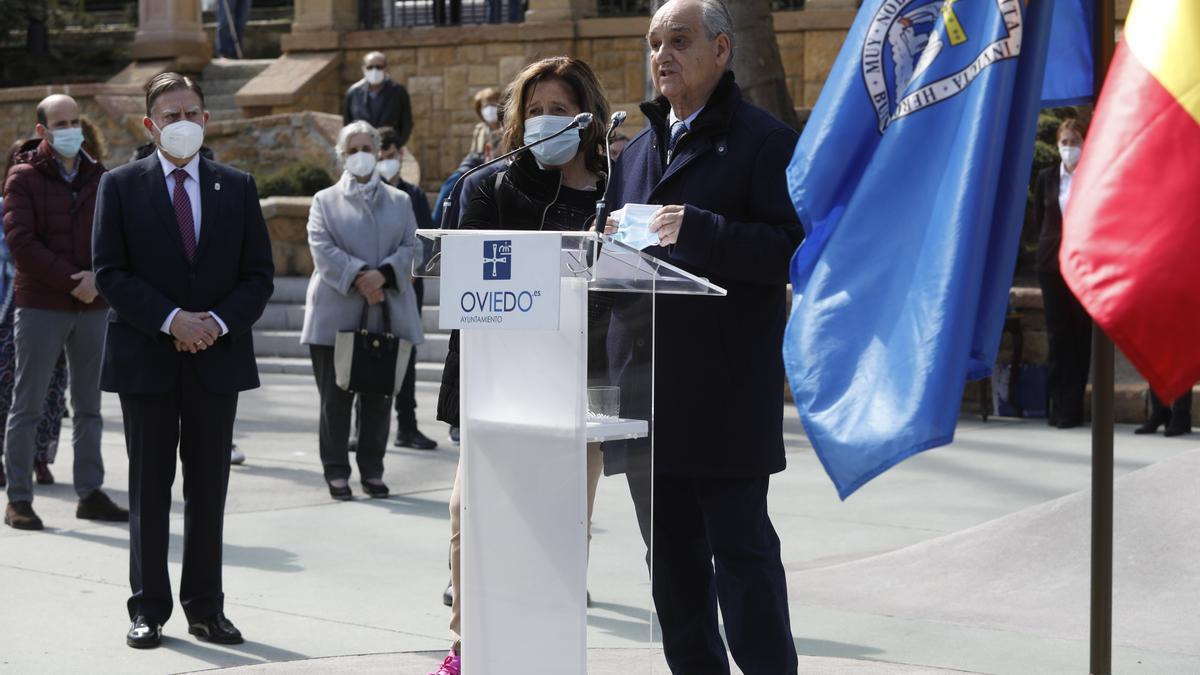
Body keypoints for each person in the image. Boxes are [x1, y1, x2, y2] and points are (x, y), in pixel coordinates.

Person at [603, 1, 804, 672]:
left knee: (744, 573)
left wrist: (704, 231)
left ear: (721, 50)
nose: (662, 54)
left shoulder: (764, 141)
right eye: (655, 41)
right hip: (647, 398)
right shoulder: (633, 152)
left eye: (678, 40)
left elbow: (790, 250)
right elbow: (618, 254)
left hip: (723, 400)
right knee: (675, 585)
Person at [429, 55, 613, 675]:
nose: (542, 122)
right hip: (497, 390)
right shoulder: (490, 185)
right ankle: (467, 649)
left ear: (586, 117)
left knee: (561, 525)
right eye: (533, 112)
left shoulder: (616, 192)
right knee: (469, 513)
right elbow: (466, 287)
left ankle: (544, 649)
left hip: (577, 392)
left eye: (557, 111)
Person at [92, 72, 274, 649]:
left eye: (192, 113)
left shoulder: (237, 186)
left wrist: (213, 324)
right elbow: (109, 272)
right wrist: (173, 320)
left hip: (215, 361)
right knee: (149, 490)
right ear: (151, 125)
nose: (183, 123)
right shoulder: (119, 186)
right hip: (147, 359)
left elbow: (258, 276)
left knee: (209, 490)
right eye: (170, 115)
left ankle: (205, 608)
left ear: (206, 120)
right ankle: (148, 608)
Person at [2, 94, 127, 531]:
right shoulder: (22, 178)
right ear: (42, 131)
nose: (70, 129)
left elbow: (116, 235)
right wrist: (74, 280)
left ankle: (90, 492)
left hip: (94, 306)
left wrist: (98, 279)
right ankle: (19, 498)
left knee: (90, 407)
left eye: (75, 120)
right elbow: (22, 242)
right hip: (41, 304)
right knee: (28, 405)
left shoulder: (101, 177)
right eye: (60, 123)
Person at [301, 121, 424, 501]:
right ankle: (336, 471)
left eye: (366, 147)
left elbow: (412, 248)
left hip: (386, 313)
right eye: (352, 148)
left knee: (378, 399)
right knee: (334, 402)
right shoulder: (324, 200)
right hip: (335, 315)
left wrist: (384, 276)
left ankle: (372, 469)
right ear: (341, 155)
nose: (360, 154)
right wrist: (359, 277)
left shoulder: (401, 201)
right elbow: (321, 248)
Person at [0, 139, 70, 492]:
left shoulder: (60, 199)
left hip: (56, 302)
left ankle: (41, 457)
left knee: (54, 389)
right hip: (13, 307)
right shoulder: (6, 205)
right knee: (7, 386)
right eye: (19, 158)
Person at [377, 126, 438, 450]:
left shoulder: (413, 196)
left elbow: (425, 240)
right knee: (368, 354)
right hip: (375, 287)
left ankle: (407, 425)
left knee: (406, 357)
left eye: (390, 156)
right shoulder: (370, 194)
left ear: (400, 155)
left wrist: (412, 270)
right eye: (380, 158)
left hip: (408, 288)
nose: (385, 163)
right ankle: (364, 428)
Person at [1035, 117, 1091, 429]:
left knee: (1080, 336)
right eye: (1065, 142)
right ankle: (1055, 406)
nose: (1069, 148)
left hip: (1082, 264)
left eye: (1075, 142)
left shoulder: (1091, 176)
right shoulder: (1046, 178)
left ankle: (1073, 407)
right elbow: (1040, 216)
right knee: (1058, 337)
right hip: (1050, 264)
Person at [344, 52, 413, 150]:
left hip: (388, 150)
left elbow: (406, 123)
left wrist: (397, 145)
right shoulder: (353, 92)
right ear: (363, 68)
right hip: (363, 151)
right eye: (370, 67)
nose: (374, 70)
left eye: (378, 67)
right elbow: (347, 124)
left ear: (386, 68)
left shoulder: (398, 92)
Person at [468, 87, 501, 157]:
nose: (489, 109)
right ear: (480, 110)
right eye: (486, 106)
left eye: (492, 105)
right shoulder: (479, 129)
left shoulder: (508, 127)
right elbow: (473, 156)